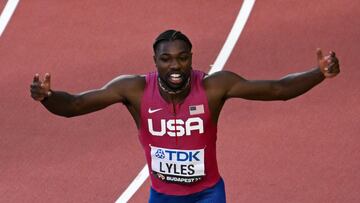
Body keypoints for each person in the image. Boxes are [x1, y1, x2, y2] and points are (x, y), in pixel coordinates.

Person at [30, 30, 340, 203]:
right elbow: (76, 105)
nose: (175, 66)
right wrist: (47, 98)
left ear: (191, 57)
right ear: (155, 61)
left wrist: (319, 74)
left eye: (182, 58)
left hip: (208, 195)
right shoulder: (134, 90)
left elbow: (278, 89)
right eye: (166, 59)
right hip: (162, 197)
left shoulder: (214, 87)